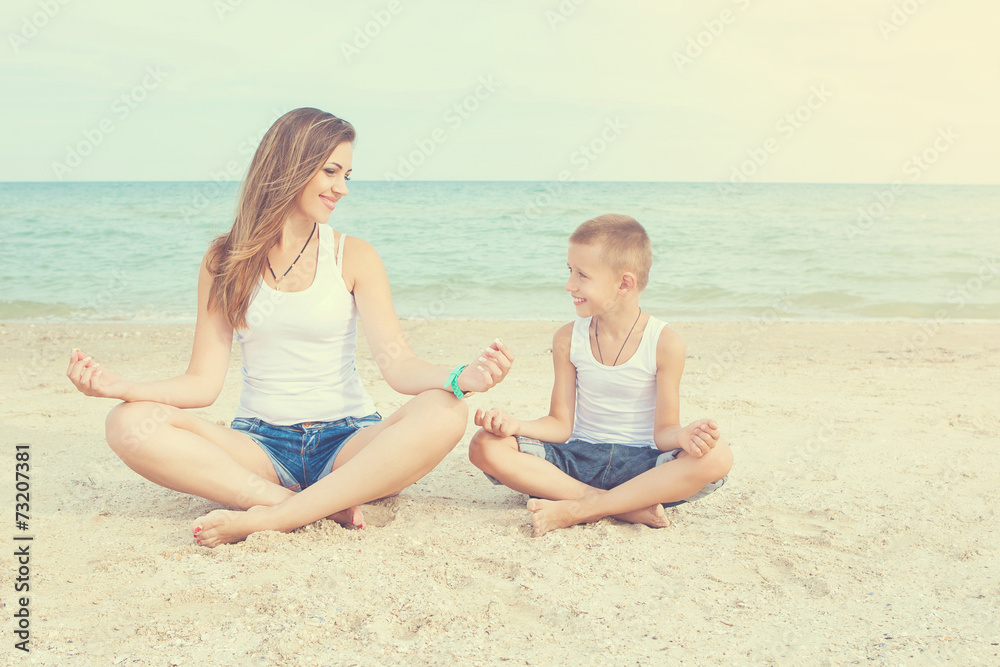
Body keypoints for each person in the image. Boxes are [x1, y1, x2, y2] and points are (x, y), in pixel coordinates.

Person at [67, 107, 513, 547]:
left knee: (446, 408)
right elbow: (201, 384)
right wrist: (122, 387)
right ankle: (294, 503)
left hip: (350, 443)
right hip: (260, 447)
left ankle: (278, 516)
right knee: (128, 422)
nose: (342, 188)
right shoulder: (223, 261)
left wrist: (460, 378)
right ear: (291, 167)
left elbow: (399, 367)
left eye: (347, 176)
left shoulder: (354, 255)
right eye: (331, 172)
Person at [469, 214, 731, 537]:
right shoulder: (568, 338)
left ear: (624, 284)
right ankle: (615, 504)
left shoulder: (665, 343)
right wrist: (516, 426)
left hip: (643, 467)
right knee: (484, 445)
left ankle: (581, 508)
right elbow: (560, 425)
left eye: (582, 275)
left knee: (718, 457)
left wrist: (682, 437)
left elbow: (664, 431)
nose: (569, 285)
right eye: (569, 271)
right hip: (578, 461)